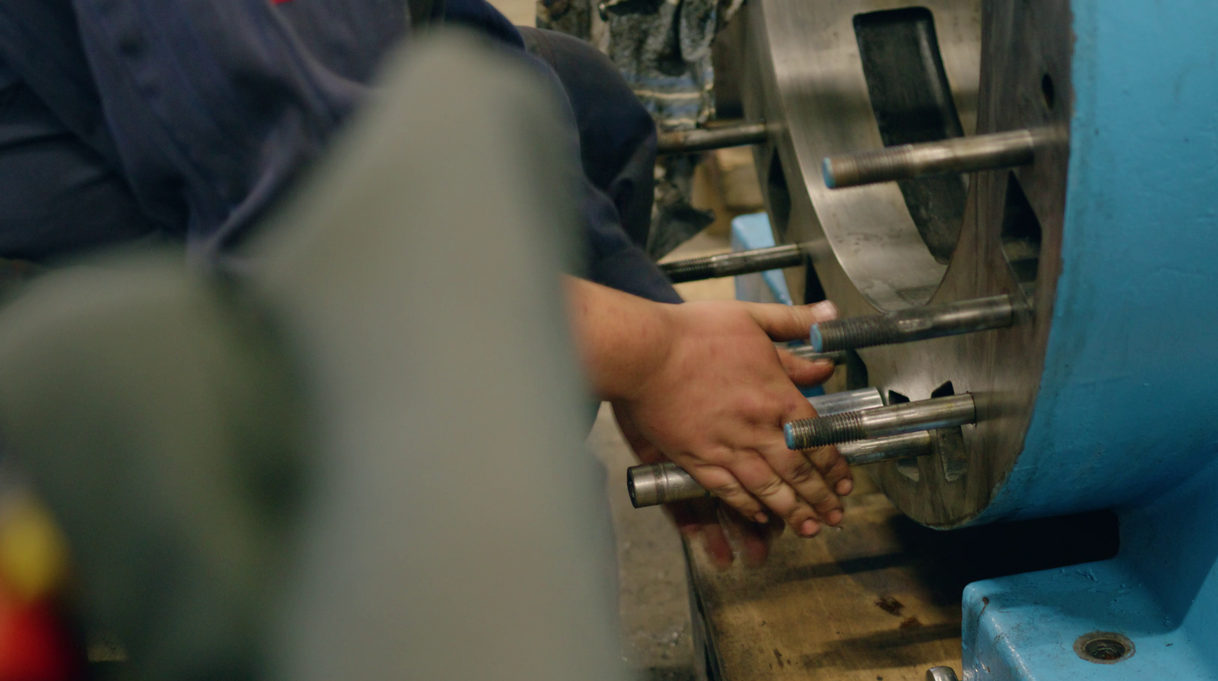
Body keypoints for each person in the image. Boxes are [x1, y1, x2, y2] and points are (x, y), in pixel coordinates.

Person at [0, 0, 851, 541]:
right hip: (91, 239)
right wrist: (651, 355)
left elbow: (456, 35)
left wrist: (644, 311)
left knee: (580, 102)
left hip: (245, 155)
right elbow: (316, 241)